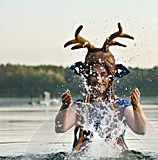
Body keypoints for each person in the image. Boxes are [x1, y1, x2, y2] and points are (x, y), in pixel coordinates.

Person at [55, 23, 146, 151]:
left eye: (103, 75)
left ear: (111, 77)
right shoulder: (80, 106)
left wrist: (136, 106)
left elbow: (141, 130)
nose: (99, 80)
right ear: (87, 77)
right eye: (94, 75)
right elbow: (60, 128)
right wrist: (64, 107)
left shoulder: (122, 106)